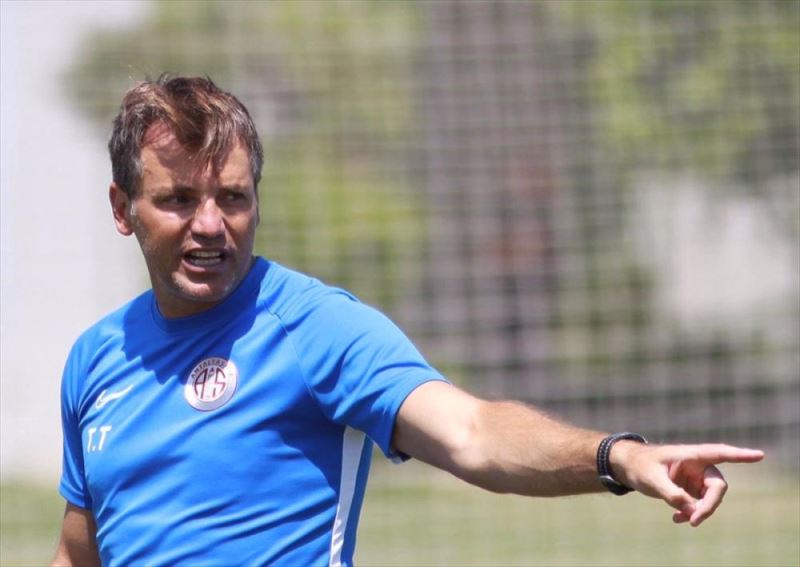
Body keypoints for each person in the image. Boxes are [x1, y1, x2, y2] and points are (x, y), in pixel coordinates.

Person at [52, 75, 764, 567]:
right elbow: (80, 554)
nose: (211, 224)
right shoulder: (96, 359)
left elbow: (473, 433)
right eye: (179, 200)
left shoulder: (313, 326)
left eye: (232, 198)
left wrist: (619, 458)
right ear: (123, 209)